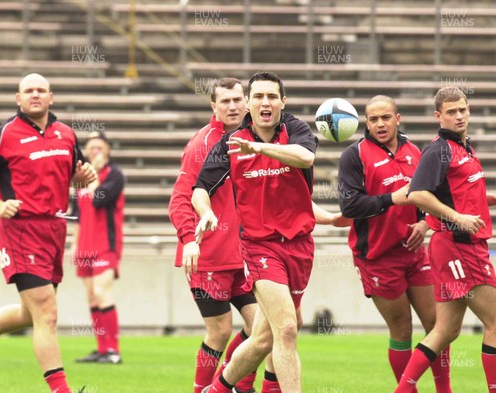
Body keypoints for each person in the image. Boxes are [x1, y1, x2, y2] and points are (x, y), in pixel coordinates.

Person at [0, 73, 96, 393]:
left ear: (51, 97)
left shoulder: (66, 134)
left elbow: (75, 177)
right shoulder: (0, 135)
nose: (35, 95)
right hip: (20, 230)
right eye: (28, 91)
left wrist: (84, 176)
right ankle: (61, 390)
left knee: (31, 315)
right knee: (47, 312)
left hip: (54, 230)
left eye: (41, 90)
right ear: (18, 99)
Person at [194, 72, 318, 393]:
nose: (266, 102)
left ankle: (217, 389)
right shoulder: (231, 143)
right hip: (260, 247)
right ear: (248, 103)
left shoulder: (296, 129)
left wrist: (259, 149)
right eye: (259, 96)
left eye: (272, 97)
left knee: (263, 338)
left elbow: (306, 158)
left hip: (300, 246)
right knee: (288, 329)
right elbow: (199, 189)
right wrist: (206, 212)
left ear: (282, 102)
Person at [395, 86, 496, 393]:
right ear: (439, 116)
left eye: (462, 109)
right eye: (451, 112)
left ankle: (403, 389)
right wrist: (457, 218)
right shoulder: (439, 150)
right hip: (459, 246)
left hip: (452, 246)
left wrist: (493, 197)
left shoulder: (464, 146)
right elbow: (417, 194)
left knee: (446, 329)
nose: (459, 115)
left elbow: (462, 196)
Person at [337, 95, 451, 392]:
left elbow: (432, 196)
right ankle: (407, 390)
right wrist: (391, 199)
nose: (380, 124)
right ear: (366, 122)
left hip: (414, 253)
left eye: (385, 117)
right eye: (373, 119)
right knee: (401, 328)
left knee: (438, 326)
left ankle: (444, 389)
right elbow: (349, 207)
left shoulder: (415, 151)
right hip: (376, 257)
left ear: (397, 119)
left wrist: (426, 221)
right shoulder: (355, 155)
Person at [168, 77, 263, 393]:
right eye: (226, 101)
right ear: (214, 107)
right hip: (207, 256)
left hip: (244, 256)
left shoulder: (256, 138)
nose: (233, 106)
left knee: (260, 327)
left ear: (247, 102)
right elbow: (180, 198)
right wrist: (187, 239)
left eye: (238, 99)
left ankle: (229, 384)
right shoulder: (202, 143)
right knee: (220, 331)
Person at [72, 130, 124, 365]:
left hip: (106, 245)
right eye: (91, 147)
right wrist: (74, 245)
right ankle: (102, 349)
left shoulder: (114, 175)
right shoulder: (80, 179)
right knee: (92, 298)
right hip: (84, 247)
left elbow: (99, 199)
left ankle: (113, 351)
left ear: (108, 150)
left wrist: (93, 179)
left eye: (99, 147)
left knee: (103, 293)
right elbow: (77, 216)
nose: (95, 151)